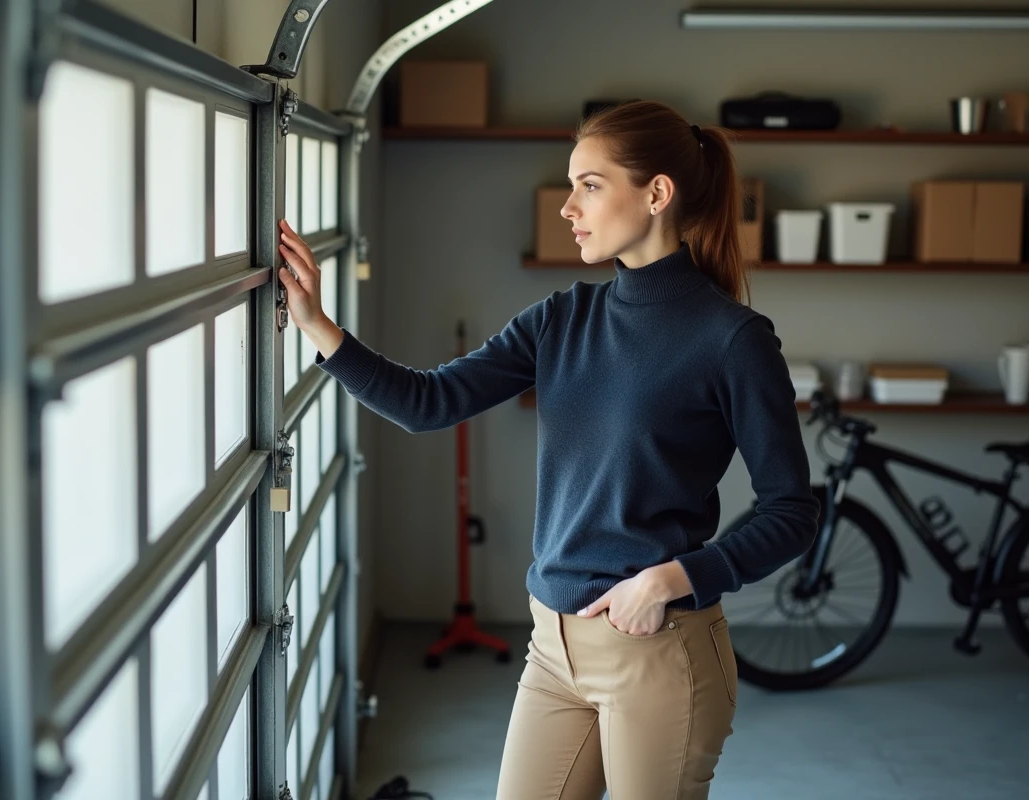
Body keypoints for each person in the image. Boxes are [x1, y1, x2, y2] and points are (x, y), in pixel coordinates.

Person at [276, 100, 819, 800]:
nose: (568, 207)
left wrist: (670, 579)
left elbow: (791, 510)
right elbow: (427, 404)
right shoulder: (562, 318)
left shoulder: (732, 339)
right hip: (553, 647)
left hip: (658, 652)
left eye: (589, 185)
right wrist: (319, 326)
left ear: (656, 194)